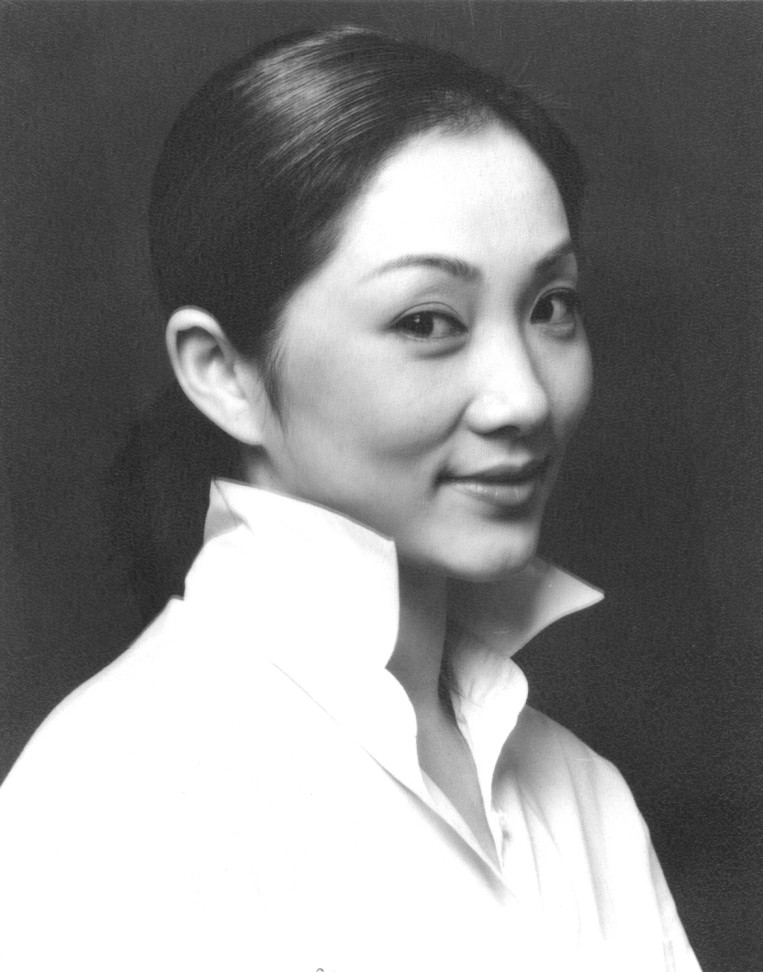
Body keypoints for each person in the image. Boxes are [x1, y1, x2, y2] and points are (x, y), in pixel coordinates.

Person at [0, 26, 700, 972]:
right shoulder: (108, 804)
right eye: (426, 321)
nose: (524, 400)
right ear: (223, 371)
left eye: (551, 307)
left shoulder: (580, 792)